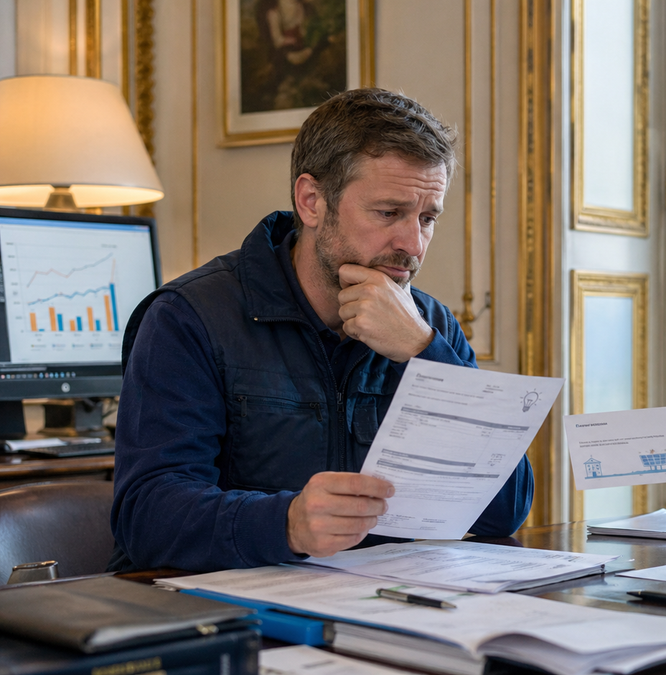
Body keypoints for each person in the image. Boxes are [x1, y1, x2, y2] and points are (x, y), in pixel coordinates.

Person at [109, 88, 532, 572]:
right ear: (311, 201)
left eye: (427, 218)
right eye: (388, 213)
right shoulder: (189, 316)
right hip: (220, 603)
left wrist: (424, 353)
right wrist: (287, 524)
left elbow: (505, 511)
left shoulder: (429, 326)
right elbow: (146, 516)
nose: (413, 244)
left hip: (374, 600)